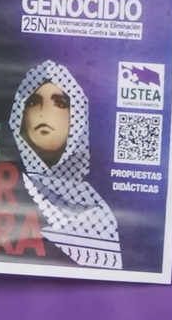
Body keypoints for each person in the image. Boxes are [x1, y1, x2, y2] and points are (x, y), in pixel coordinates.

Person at [10, 61, 120, 269]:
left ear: (77, 117)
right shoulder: (1, 186)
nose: (44, 112)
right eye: (33, 102)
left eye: (60, 103)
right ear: (20, 115)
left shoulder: (97, 215)